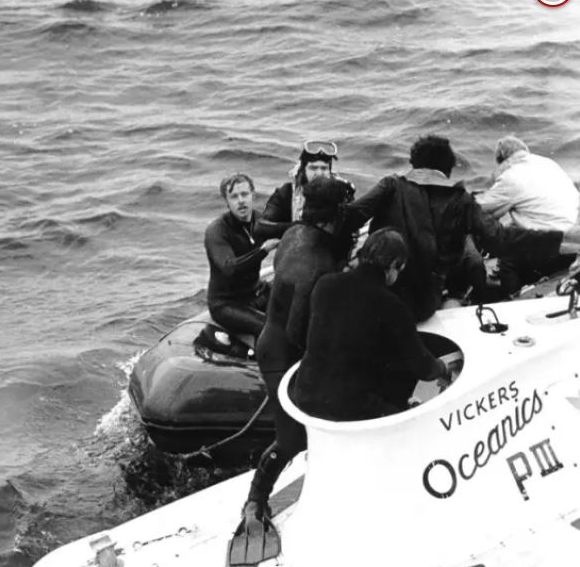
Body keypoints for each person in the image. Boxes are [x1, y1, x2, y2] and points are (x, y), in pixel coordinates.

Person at [228, 176, 354, 566]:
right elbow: (300, 330)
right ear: (333, 217)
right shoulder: (315, 263)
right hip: (283, 353)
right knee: (290, 439)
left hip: (272, 337)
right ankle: (255, 502)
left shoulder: (295, 233)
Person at [345, 134, 580, 322]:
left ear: (413, 164)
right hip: (422, 305)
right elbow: (501, 239)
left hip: (372, 296)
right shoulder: (461, 201)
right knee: (460, 278)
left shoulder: (390, 185)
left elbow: (350, 217)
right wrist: (563, 238)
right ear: (448, 169)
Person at [292, 228, 449, 421]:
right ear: (394, 265)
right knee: (409, 418)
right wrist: (443, 368)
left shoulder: (325, 284)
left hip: (305, 393)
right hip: (348, 405)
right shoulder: (391, 305)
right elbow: (423, 367)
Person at [475, 136, 580, 297]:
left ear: (502, 160)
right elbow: (537, 208)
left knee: (507, 255)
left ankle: (511, 298)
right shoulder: (548, 164)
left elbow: (480, 210)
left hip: (554, 246)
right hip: (575, 241)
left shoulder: (510, 176)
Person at [204, 173, 279, 338]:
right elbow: (229, 268)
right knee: (270, 329)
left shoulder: (260, 220)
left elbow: (286, 231)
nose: (241, 201)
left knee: (296, 305)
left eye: (244, 194)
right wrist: (263, 251)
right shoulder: (217, 231)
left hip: (256, 292)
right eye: (234, 196)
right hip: (226, 304)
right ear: (227, 202)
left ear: (253, 195)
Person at [254, 140, 355, 244]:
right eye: (313, 168)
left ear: (330, 171)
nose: (319, 173)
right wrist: (299, 227)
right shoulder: (287, 193)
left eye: (324, 168)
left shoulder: (341, 196)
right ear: (303, 170)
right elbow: (261, 227)